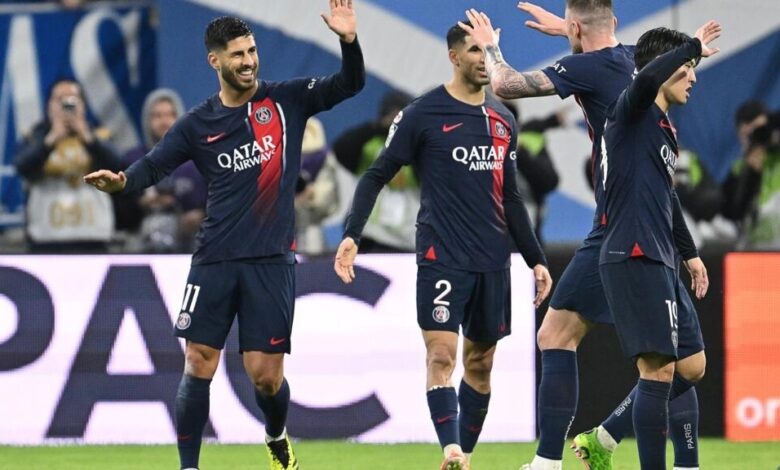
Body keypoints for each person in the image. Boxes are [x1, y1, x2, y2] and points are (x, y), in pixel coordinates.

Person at [83, 3, 365, 469]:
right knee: (198, 361)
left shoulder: (287, 101)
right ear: (215, 60)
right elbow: (154, 164)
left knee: (265, 377)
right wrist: (124, 181)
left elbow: (350, 84)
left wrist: (349, 42)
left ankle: (275, 434)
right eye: (238, 54)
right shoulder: (198, 124)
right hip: (213, 258)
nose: (249, 61)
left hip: (270, 261)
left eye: (252, 51)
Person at [460, 3, 708, 469]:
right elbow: (639, 54)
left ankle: (585, 447)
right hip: (638, 226)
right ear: (613, 23)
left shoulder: (593, 69)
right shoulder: (633, 58)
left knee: (669, 362)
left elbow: (505, 84)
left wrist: (492, 47)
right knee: (659, 360)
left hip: (626, 225)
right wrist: (571, 32)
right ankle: (563, 460)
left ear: (576, 25)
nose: (689, 76)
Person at [333, 21, 552, 470]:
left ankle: (463, 457)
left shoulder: (504, 120)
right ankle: (450, 448)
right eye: (475, 50)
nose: (483, 59)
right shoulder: (421, 114)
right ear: (453, 56)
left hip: (492, 260)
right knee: (441, 355)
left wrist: (536, 260)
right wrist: (352, 234)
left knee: (481, 364)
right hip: (442, 256)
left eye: (489, 50)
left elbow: (511, 198)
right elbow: (375, 175)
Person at [598, 23, 720, 469]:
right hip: (633, 251)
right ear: (663, 68)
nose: (694, 77)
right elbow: (646, 76)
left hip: (661, 255)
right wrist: (691, 45)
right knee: (659, 370)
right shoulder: (631, 108)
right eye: (687, 67)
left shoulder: (664, 128)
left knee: (691, 365)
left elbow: (667, 199)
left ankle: (607, 435)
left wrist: (690, 253)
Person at [15, 78, 121, 253]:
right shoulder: (34, 137)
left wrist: (88, 138)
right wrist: (50, 140)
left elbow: (116, 165)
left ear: (83, 105)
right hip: (46, 236)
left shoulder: (99, 136)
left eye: (72, 100)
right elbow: (22, 167)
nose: (65, 105)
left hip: (92, 235)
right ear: (49, 106)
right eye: (59, 100)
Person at [117, 88, 208, 253]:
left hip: (190, 244)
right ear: (147, 120)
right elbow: (119, 209)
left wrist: (200, 215)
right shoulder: (132, 160)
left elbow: (220, 201)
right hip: (141, 242)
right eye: (157, 116)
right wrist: (141, 204)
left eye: (169, 115)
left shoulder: (199, 161)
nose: (164, 121)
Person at [332, 90, 416, 252]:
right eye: (393, 115)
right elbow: (341, 148)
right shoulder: (370, 144)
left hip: (405, 241)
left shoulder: (418, 148)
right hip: (368, 236)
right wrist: (377, 126)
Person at [722, 101, 780, 249]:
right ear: (740, 135)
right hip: (754, 251)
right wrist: (752, 170)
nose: (757, 137)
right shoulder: (737, 171)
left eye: (760, 131)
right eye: (749, 134)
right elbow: (733, 212)